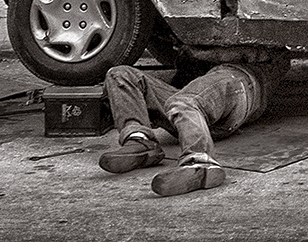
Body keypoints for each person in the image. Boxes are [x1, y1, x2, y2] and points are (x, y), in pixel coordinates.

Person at [97, 55, 288, 196]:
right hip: (191, 106)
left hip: (239, 81)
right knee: (120, 74)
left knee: (183, 102)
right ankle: (140, 141)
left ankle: (200, 163)